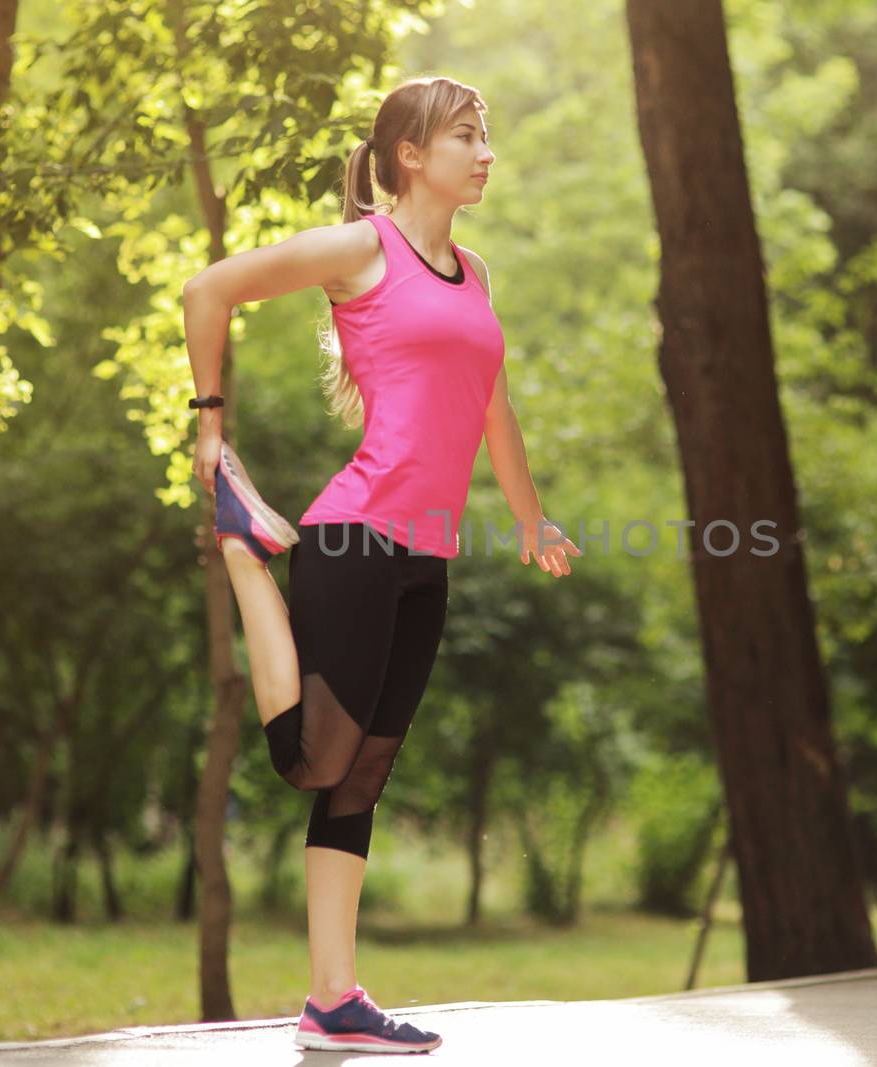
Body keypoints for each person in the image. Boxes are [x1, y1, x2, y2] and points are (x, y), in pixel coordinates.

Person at [182, 74, 582, 1054]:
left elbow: (492, 405)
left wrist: (529, 518)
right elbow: (208, 288)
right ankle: (242, 548)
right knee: (312, 756)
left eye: (485, 135)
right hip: (355, 535)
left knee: (358, 774)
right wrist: (209, 429)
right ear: (410, 154)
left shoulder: (473, 272)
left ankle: (333, 997)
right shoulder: (363, 247)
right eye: (465, 135)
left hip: (426, 553)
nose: (484, 152)